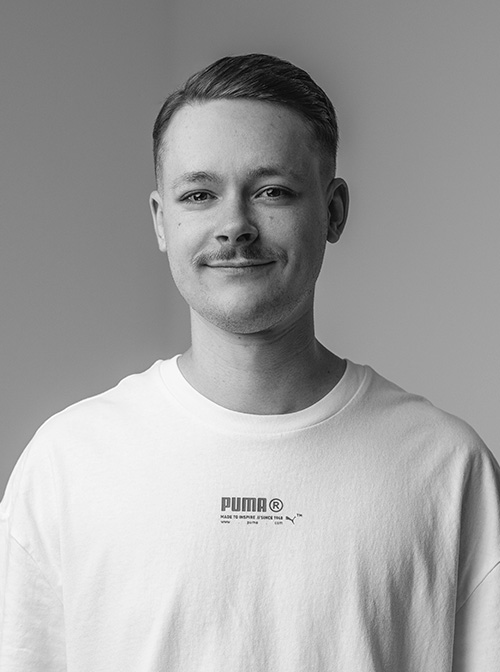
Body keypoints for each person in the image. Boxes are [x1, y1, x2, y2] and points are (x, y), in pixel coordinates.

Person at [1, 53, 499, 671]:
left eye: (272, 192)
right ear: (161, 221)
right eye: (199, 195)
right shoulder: (67, 463)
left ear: (334, 211)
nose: (234, 226)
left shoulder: (446, 467)